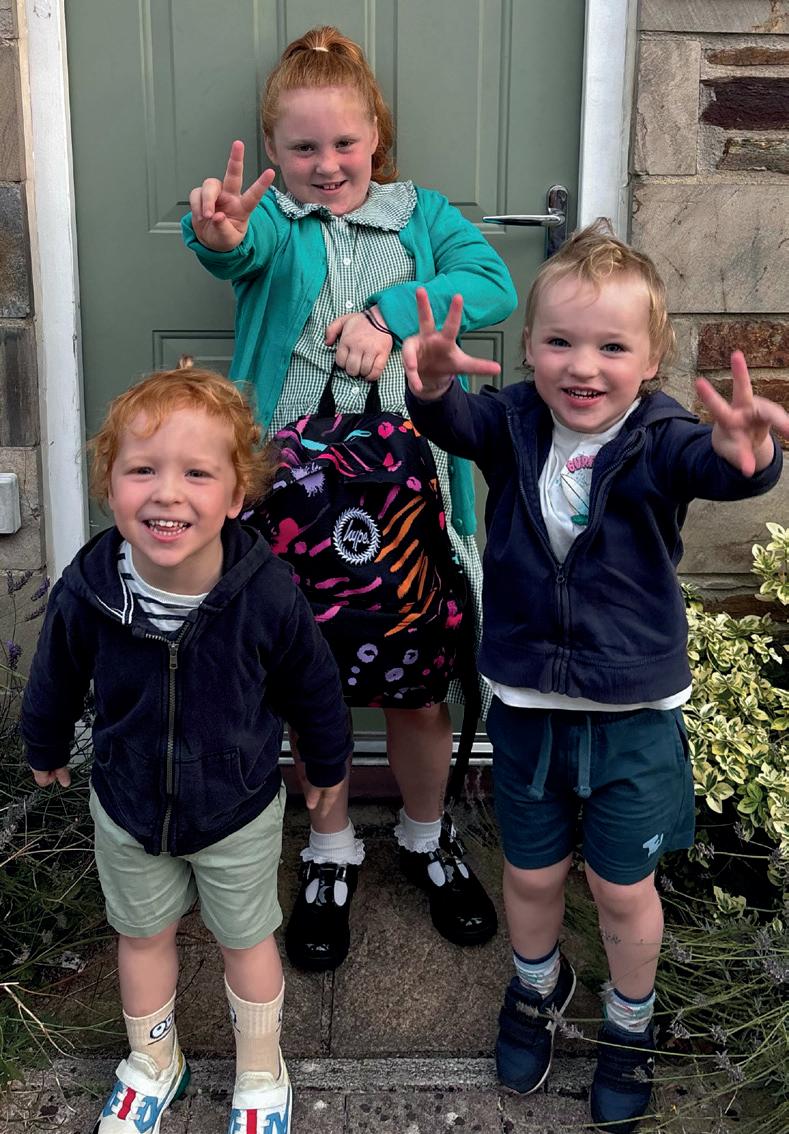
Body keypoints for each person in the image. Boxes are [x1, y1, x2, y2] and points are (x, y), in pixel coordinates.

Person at [400, 221, 788, 1133]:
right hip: (529, 704)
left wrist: (752, 458)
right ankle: (537, 985)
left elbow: (716, 465)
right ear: (529, 349)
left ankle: (628, 1021)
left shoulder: (663, 437)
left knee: (620, 888)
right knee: (531, 874)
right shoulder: (512, 422)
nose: (582, 367)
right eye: (560, 342)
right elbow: (452, 422)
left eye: (612, 347)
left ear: (650, 361)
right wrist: (429, 384)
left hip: (632, 714)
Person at [182, 25, 518, 970]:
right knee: (305, 681)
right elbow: (231, 248)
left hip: (408, 498)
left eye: (344, 143)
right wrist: (218, 232)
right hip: (288, 500)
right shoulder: (275, 226)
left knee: (417, 683)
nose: (325, 165)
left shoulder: (423, 214)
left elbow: (489, 283)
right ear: (273, 150)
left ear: (377, 138)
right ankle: (329, 849)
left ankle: (424, 836)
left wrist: (387, 314)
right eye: (302, 148)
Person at [22, 367, 352, 1134]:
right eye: (142, 470)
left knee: (247, 939)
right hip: (129, 803)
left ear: (236, 496)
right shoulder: (90, 588)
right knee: (141, 937)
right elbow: (55, 671)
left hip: (235, 807)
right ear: (110, 485)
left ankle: (261, 1069)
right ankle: (152, 1062)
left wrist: (327, 762)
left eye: (197, 474)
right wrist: (43, 737)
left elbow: (312, 685)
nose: (167, 493)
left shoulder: (264, 593)